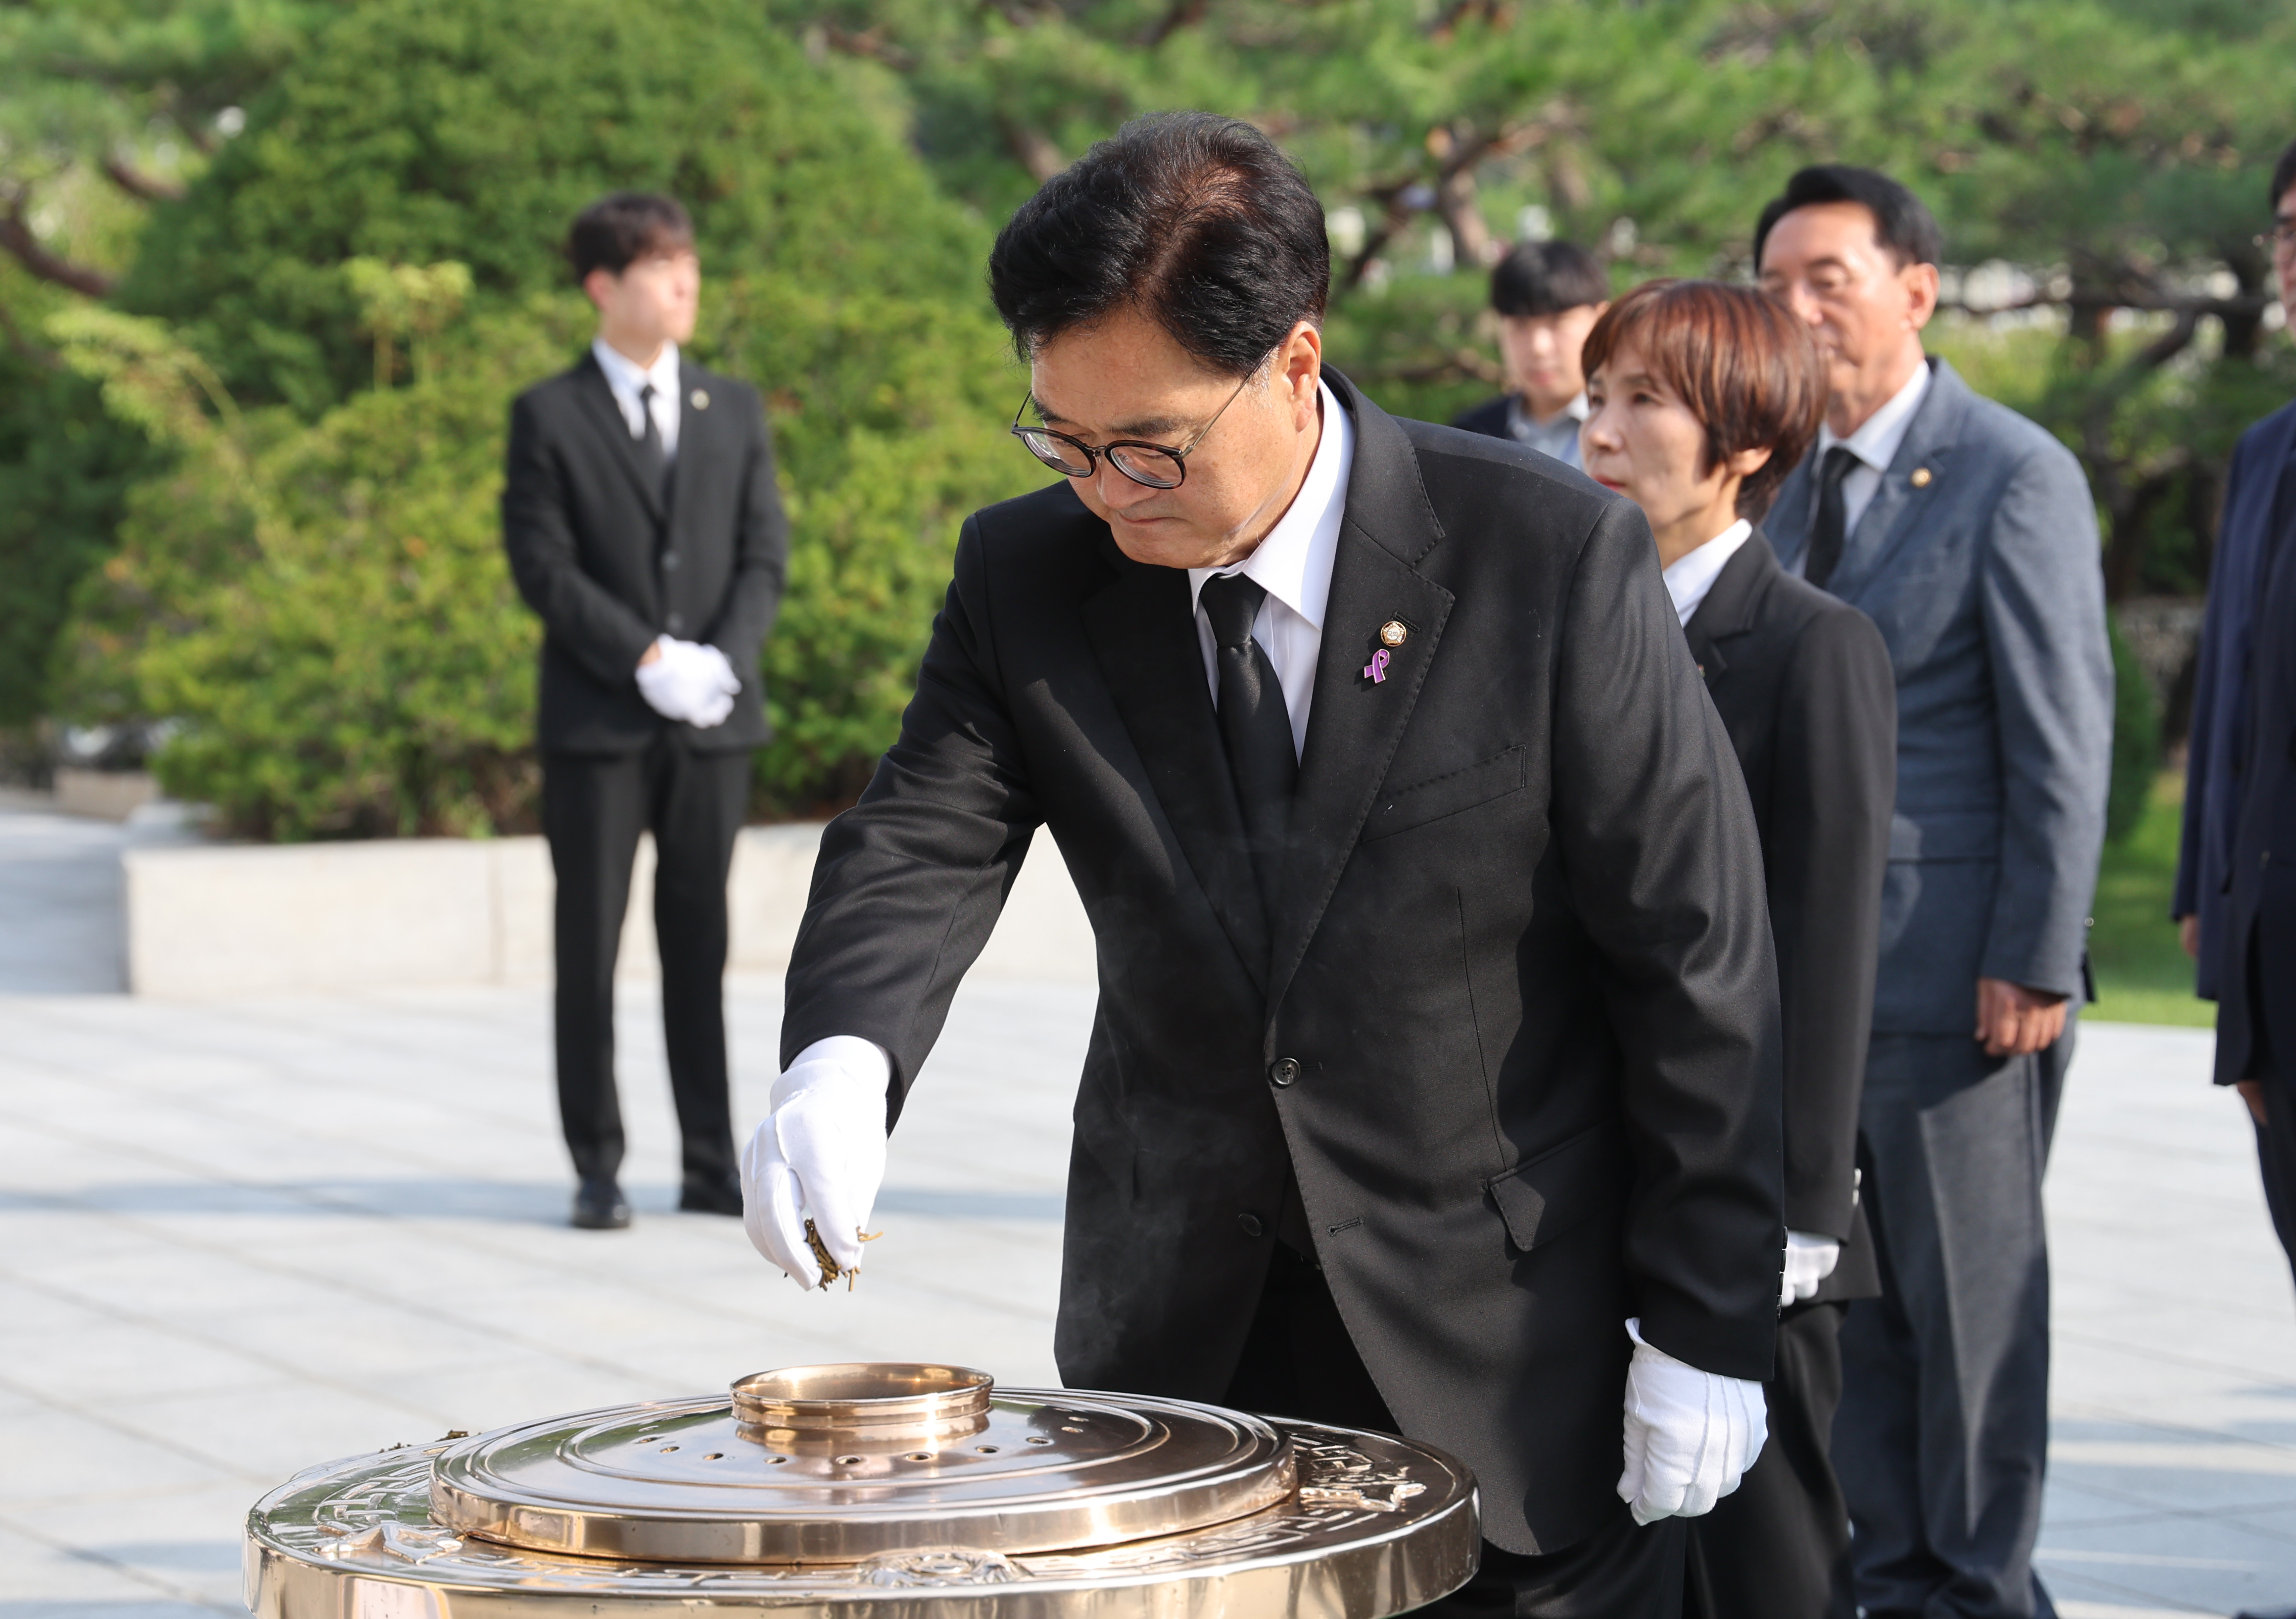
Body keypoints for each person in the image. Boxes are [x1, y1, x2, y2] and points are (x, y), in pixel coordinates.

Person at [742, 112, 1787, 1617]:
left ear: (1294, 365)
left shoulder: (1541, 560)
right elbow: (925, 825)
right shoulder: (1031, 573)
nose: (1106, 485)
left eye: (1148, 444)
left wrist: (1705, 1320)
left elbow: (1694, 955)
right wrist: (839, 1060)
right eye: (1062, 437)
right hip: (1183, 1336)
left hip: (1495, 1334)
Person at [1756, 165, 2113, 1619]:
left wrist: (2035, 953)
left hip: (1964, 981)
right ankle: (1889, 1581)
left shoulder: (2007, 469)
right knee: (1856, 1318)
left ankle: (1977, 1589)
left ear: (1913, 288)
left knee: (1968, 1320)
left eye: (1823, 279)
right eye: (1772, 279)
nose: (1794, 308)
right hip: (1822, 988)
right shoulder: (1776, 477)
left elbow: (2062, 734)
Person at [1581, 279, 1897, 1619]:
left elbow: (1826, 948)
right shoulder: (1571, 630)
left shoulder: (1813, 648)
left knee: (1771, 1566)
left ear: (1748, 441)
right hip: (1589, 1182)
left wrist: (1800, 1211)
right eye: (1595, 396)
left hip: (1754, 1210)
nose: (1598, 430)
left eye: (1642, 400)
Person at [501, 192, 789, 1230]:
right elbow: (541, 565)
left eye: (689, 264)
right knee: (589, 944)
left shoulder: (733, 407)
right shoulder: (547, 413)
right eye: (661, 266)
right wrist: (643, 654)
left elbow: (764, 552)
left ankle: (709, 1162)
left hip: (711, 721)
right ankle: (597, 1164)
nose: (685, 283)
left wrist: (723, 658)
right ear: (601, 286)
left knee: (696, 941)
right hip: (599, 724)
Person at [2175, 136, 2296, 1619]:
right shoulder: (2267, 447)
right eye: (2285, 228)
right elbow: (2231, 710)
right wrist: (2212, 914)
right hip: (2277, 957)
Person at [1449, 240, 1611, 466]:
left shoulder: (1631, 431)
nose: (1539, 348)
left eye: (1558, 322)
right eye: (1520, 325)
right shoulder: (1469, 437)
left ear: (1602, 320)